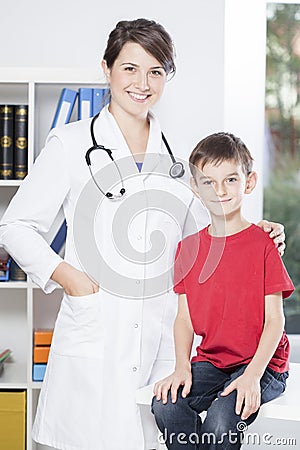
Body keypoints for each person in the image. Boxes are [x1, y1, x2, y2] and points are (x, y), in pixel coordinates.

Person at [0, 19, 285, 450]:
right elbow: (16, 225)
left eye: (156, 71)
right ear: (107, 69)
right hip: (96, 326)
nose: (142, 82)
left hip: (162, 338)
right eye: (130, 68)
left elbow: (208, 232)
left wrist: (257, 232)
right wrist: (69, 278)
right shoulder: (70, 143)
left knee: (156, 433)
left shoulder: (178, 157)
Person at [152, 132, 294, 450]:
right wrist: (181, 367)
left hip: (264, 364)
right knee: (166, 404)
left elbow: (275, 322)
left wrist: (253, 376)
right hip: (214, 362)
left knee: (219, 422)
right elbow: (184, 320)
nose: (219, 190)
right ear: (195, 188)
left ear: (249, 182)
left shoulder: (263, 244)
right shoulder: (187, 250)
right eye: (208, 182)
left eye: (230, 179)